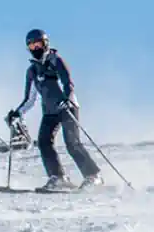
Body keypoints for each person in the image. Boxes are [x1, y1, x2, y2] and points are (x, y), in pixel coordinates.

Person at [6, 28, 103, 190]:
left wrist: (67, 99)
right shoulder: (32, 71)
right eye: (32, 46)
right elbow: (30, 99)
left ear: (46, 44)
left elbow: (68, 84)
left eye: (39, 44)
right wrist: (17, 113)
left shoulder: (56, 61)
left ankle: (93, 176)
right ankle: (57, 177)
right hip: (50, 112)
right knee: (44, 142)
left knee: (72, 143)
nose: (36, 49)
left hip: (67, 108)